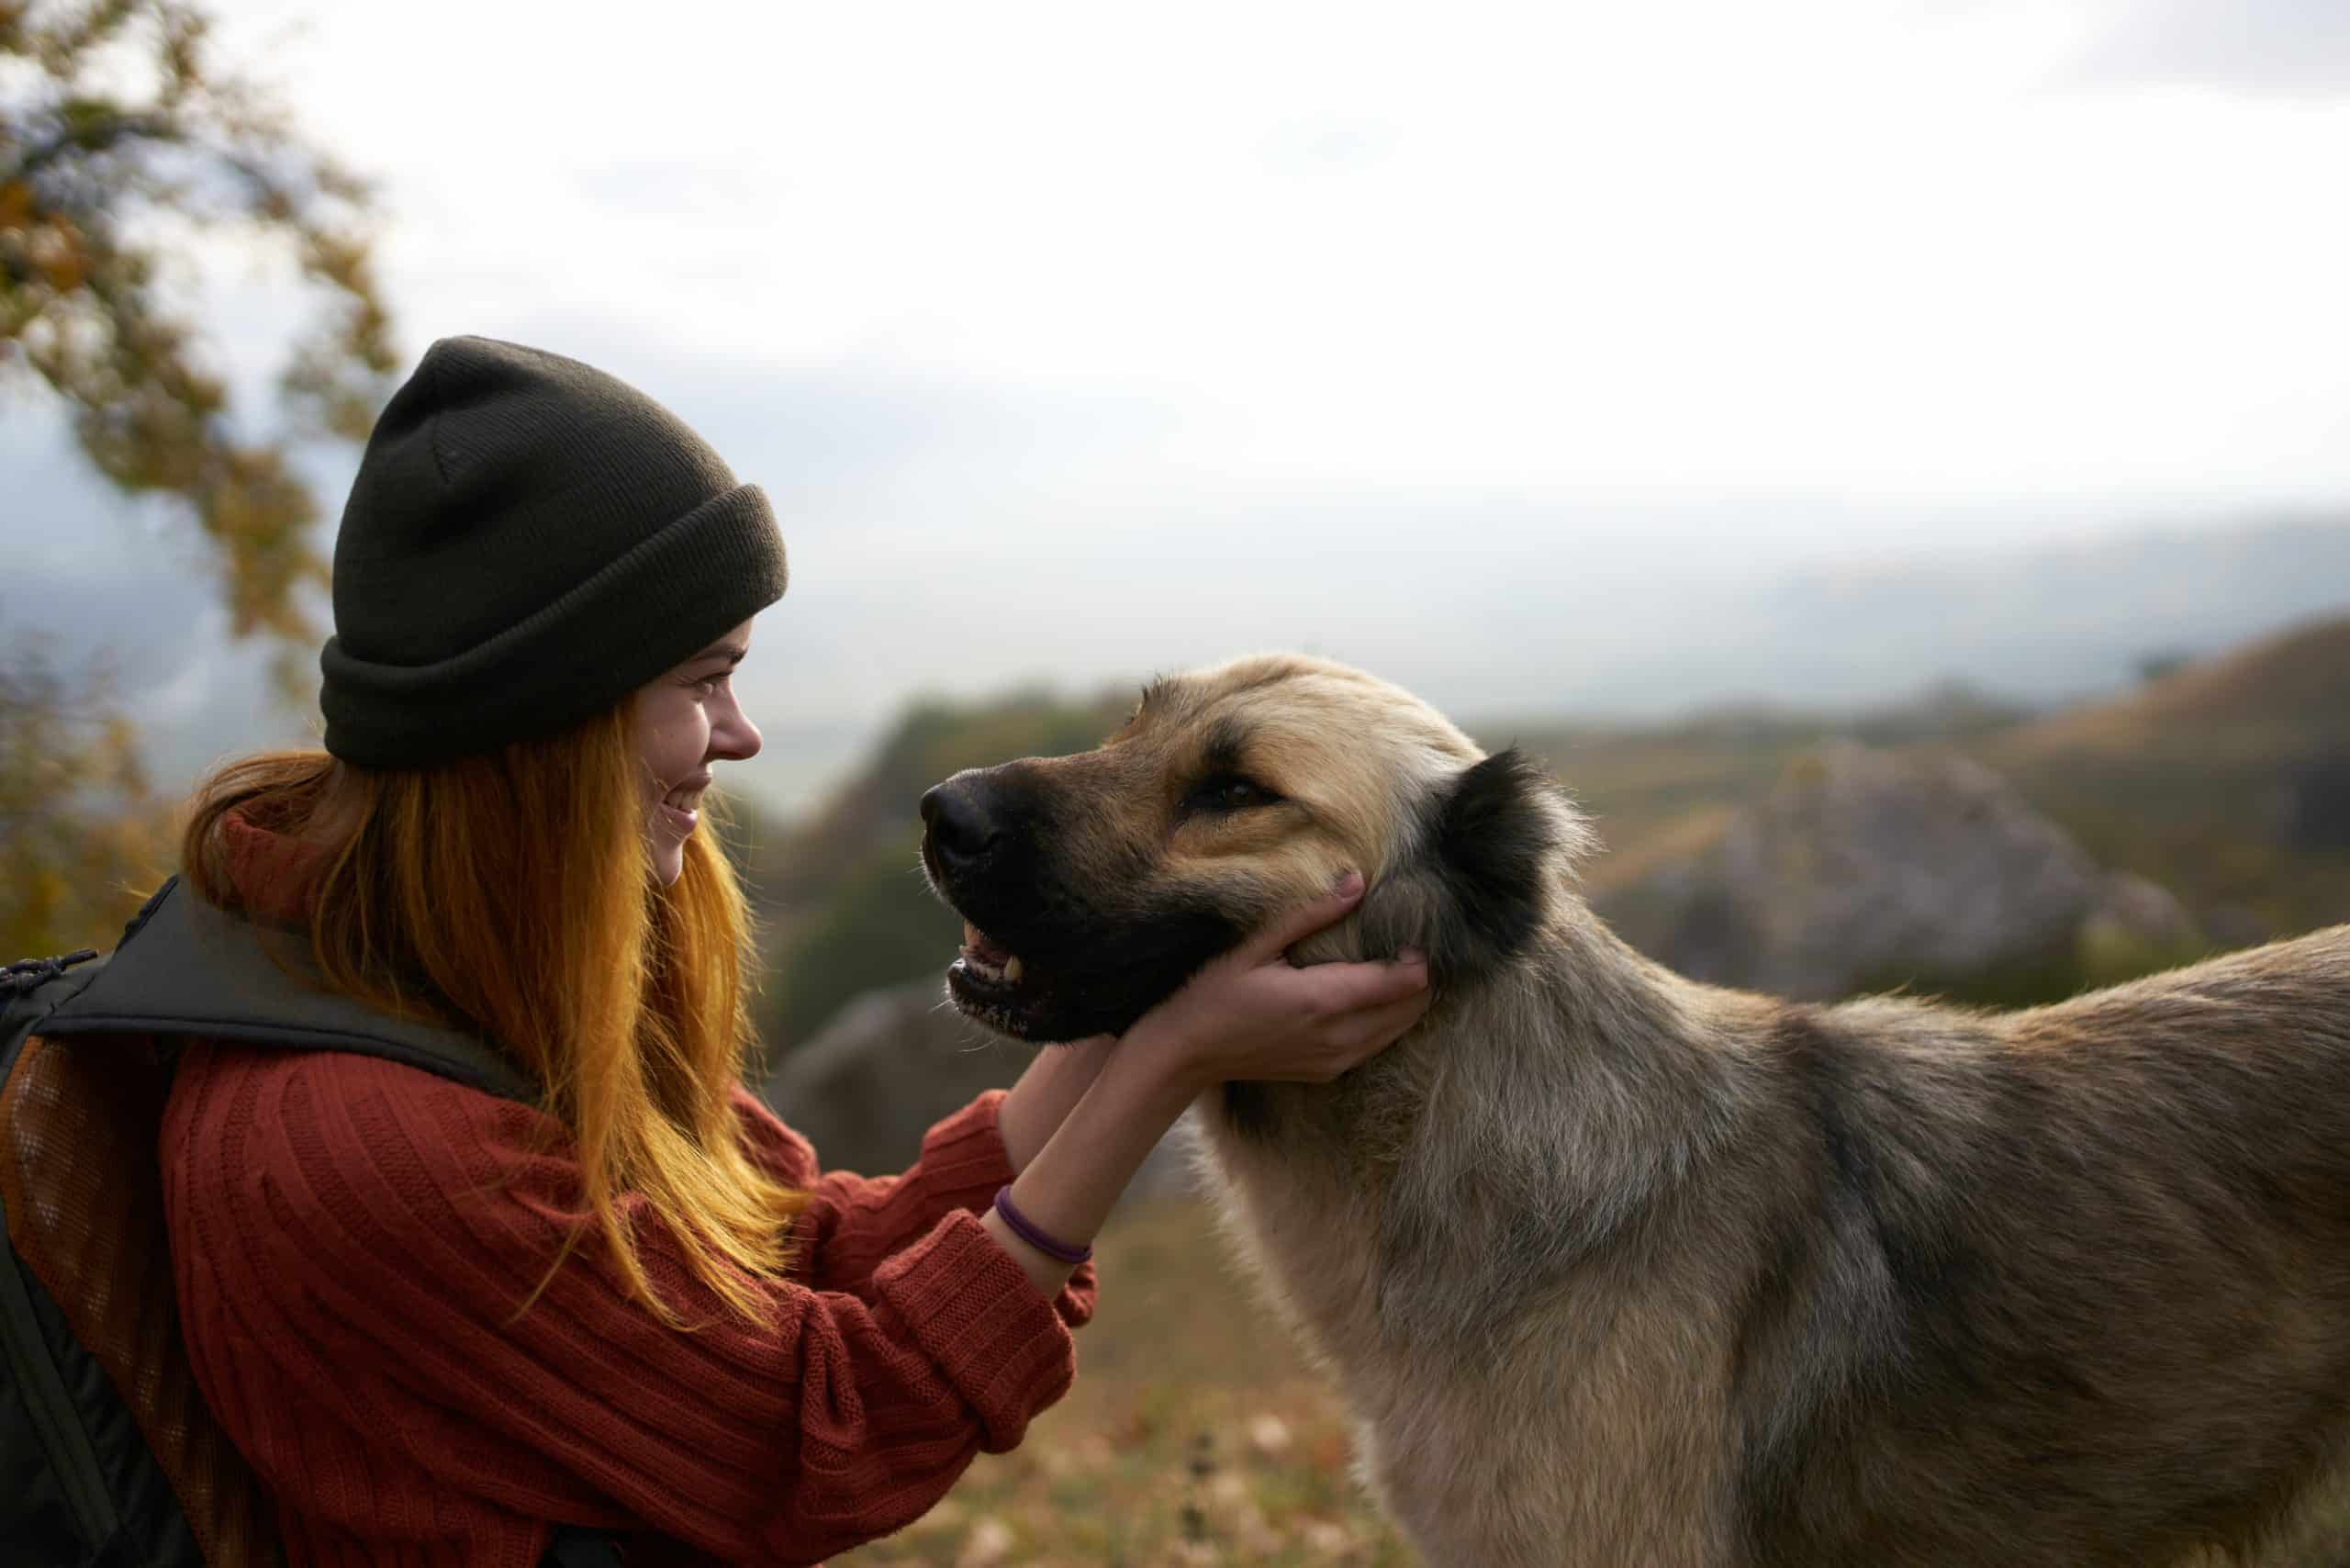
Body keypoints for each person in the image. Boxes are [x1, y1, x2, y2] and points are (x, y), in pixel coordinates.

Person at [159, 336, 1432, 1565]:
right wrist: (1160, 1069)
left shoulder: (465, 975)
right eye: (703, 682)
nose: (743, 733)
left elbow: (793, 1254)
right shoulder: (358, 1153)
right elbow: (813, 1434)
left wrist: (1134, 989)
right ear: (548, 716)